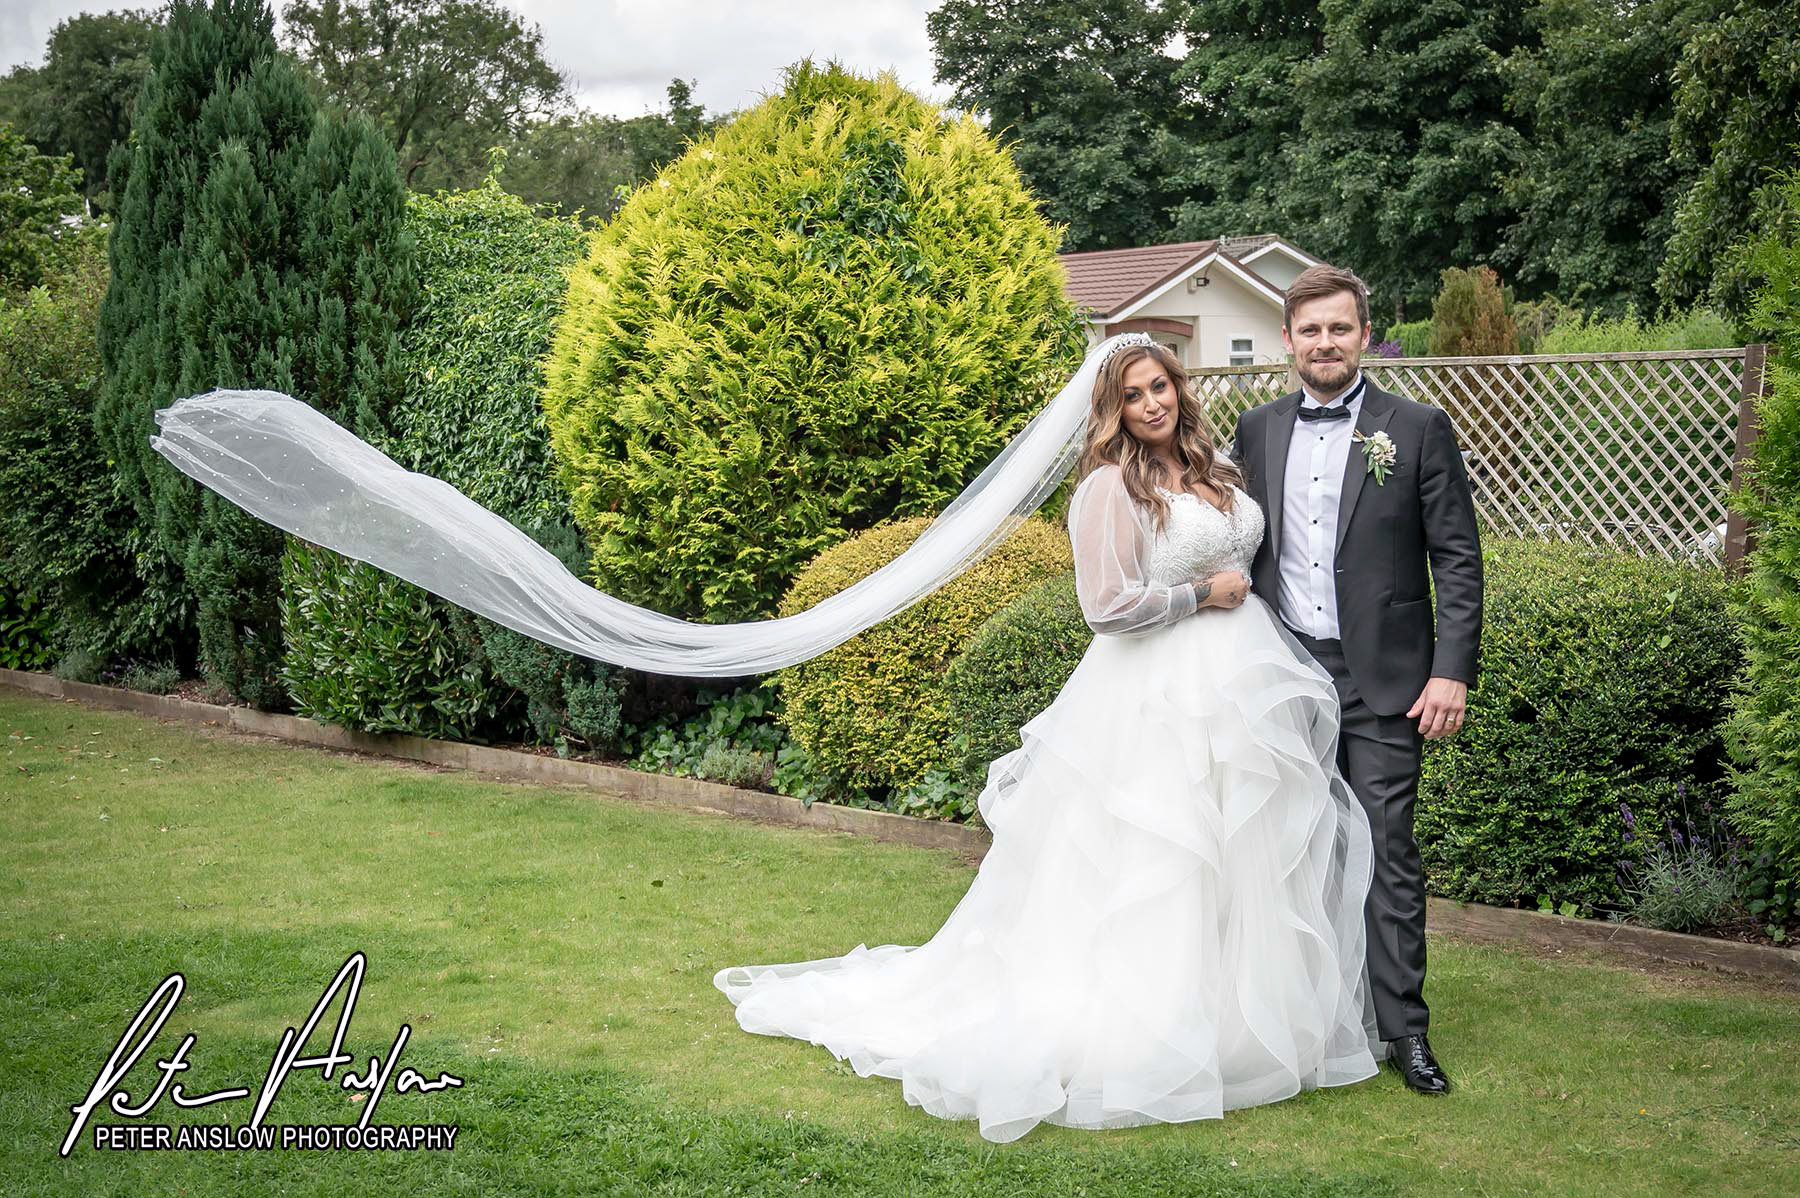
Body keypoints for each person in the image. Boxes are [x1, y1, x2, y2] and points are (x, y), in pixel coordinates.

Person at [713, 334, 1380, 1143]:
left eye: (1160, 386)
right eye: (1133, 395)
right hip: (1156, 694)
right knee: (1163, 856)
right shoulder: (1108, 487)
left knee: (1240, 852)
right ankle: (1147, 1029)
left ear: (1180, 387)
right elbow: (1107, 607)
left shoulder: (1218, 468)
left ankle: (1237, 1021)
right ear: (1113, 410)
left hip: (1240, 683)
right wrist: (1202, 593)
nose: (1152, 404)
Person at [1231, 264, 1483, 1096]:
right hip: (1281, 672)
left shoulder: (1417, 428)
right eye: (1310, 330)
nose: (1325, 343)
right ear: (1287, 341)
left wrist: (1451, 671)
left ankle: (1405, 1032)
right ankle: (1309, 1020)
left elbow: (1457, 558)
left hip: (1387, 681)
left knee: (1386, 850)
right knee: (1288, 851)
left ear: (1364, 335)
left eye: (1340, 328)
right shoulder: (1257, 430)